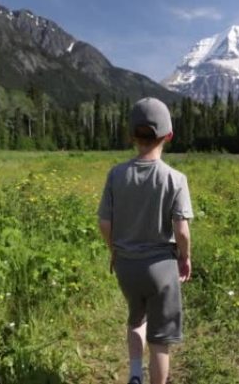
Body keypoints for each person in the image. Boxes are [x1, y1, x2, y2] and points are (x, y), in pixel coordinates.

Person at [97, 97, 193, 384]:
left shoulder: (116, 175)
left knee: (136, 318)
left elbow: (104, 223)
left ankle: (136, 374)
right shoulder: (175, 179)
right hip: (161, 269)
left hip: (127, 266)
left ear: (131, 136)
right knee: (161, 340)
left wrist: (114, 250)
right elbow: (182, 230)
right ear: (169, 135)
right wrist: (184, 257)